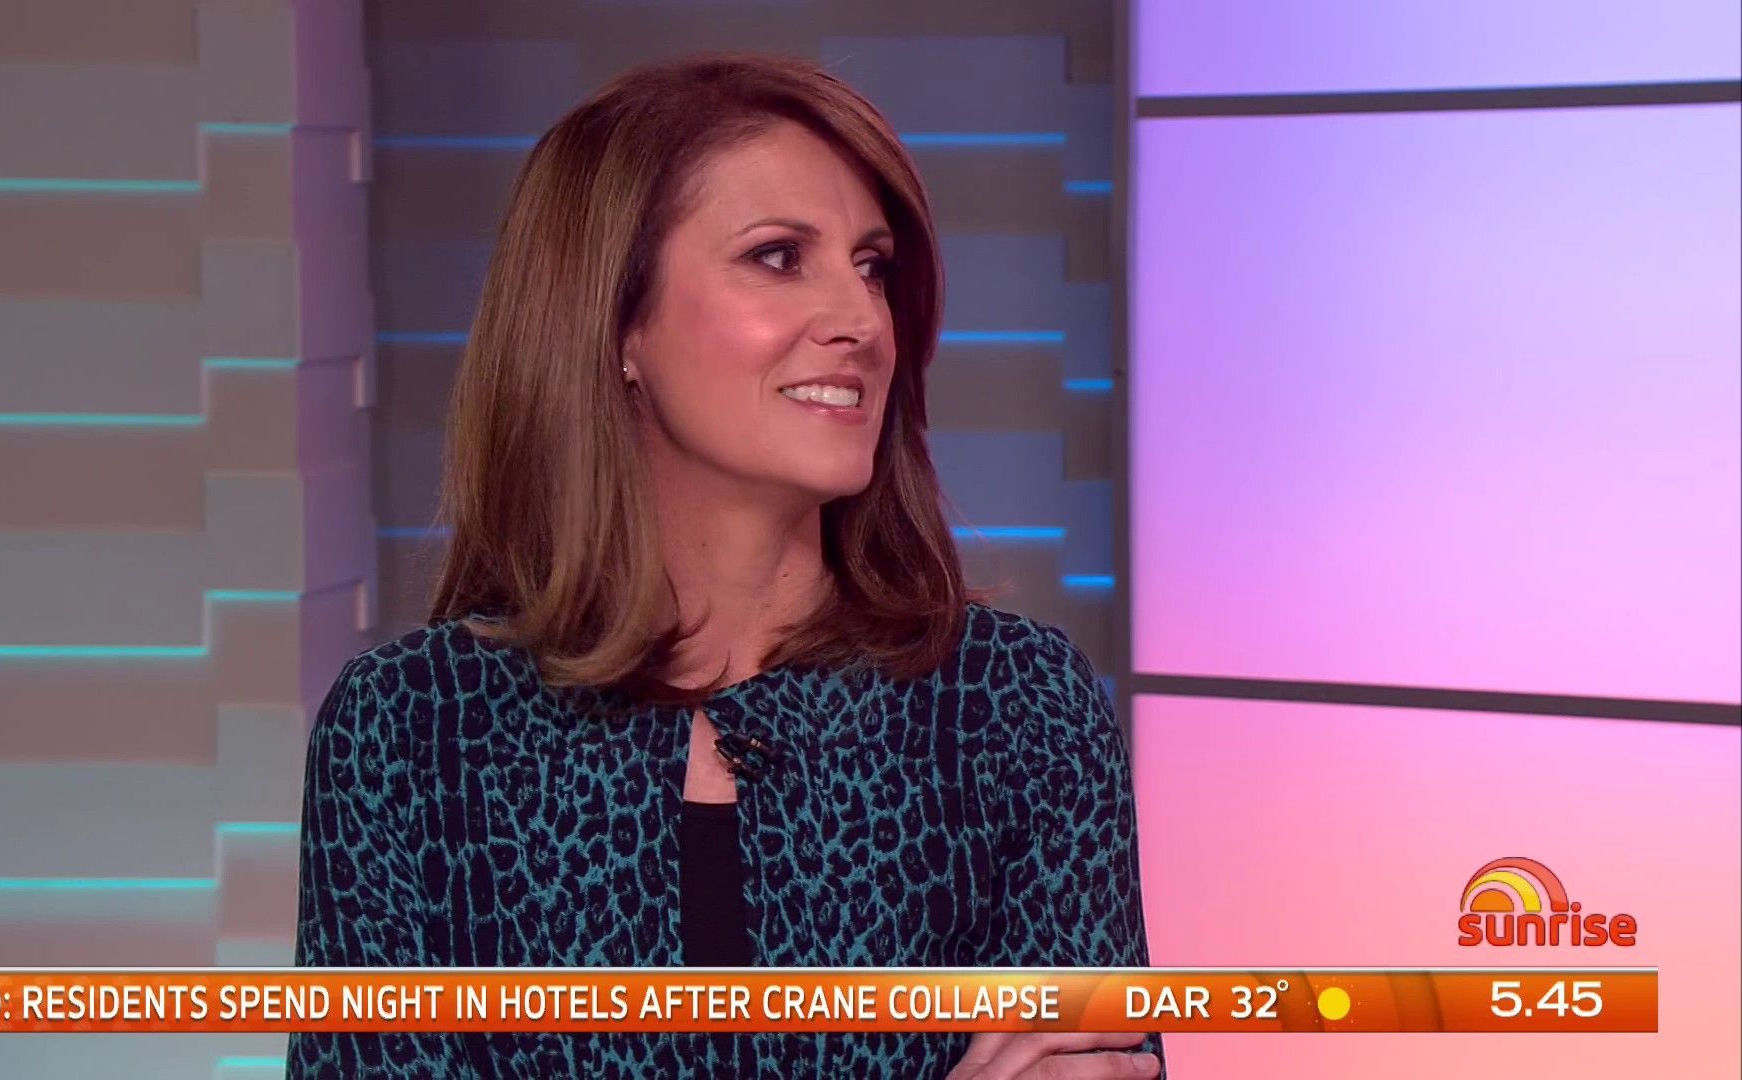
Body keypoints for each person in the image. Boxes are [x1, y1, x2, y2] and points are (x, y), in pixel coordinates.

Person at [287, 51, 1165, 1079]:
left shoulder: (1016, 710)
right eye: (779, 257)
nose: (861, 320)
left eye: (873, 267)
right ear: (618, 322)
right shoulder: (410, 732)